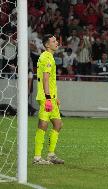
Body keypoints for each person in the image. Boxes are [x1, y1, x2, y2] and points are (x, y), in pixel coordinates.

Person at [33, 34, 64, 164]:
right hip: (46, 97)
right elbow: (45, 79)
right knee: (43, 124)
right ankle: (37, 157)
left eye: (56, 40)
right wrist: (47, 98)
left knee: (58, 124)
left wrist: (55, 97)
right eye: (53, 41)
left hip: (51, 97)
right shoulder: (47, 58)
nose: (56, 42)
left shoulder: (48, 57)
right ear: (47, 45)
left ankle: (51, 155)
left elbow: (49, 80)